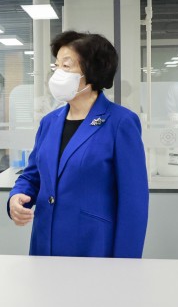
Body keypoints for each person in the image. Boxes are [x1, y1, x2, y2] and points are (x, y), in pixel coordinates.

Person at [8, 30, 148, 257]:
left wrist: (126, 264)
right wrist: (16, 197)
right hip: (45, 245)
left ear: (92, 71)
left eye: (67, 66)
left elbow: (134, 203)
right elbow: (32, 176)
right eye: (56, 66)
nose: (58, 74)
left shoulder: (120, 123)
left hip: (93, 247)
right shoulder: (49, 122)